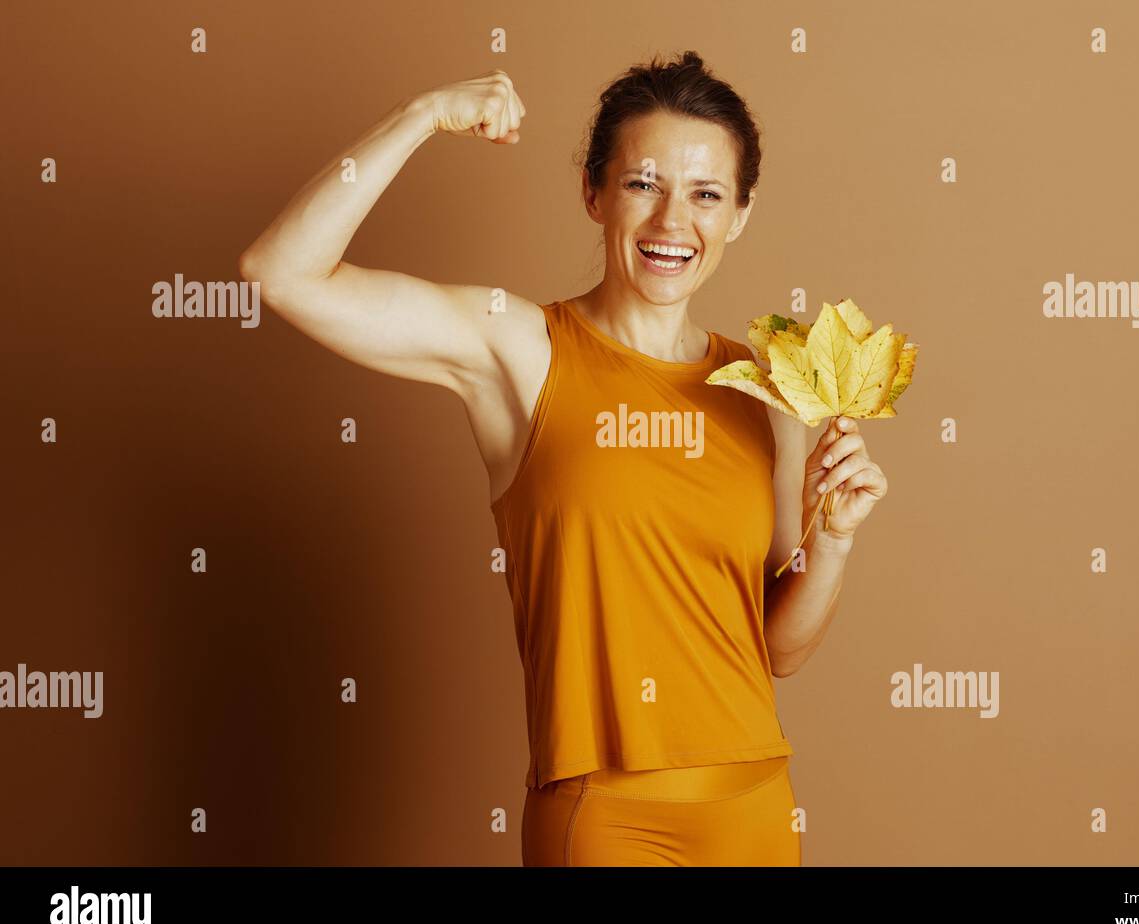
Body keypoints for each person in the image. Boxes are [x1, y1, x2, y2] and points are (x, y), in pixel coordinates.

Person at [239, 50, 888, 866]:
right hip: (602, 816)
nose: (671, 223)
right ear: (594, 191)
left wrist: (832, 543)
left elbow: (778, 653)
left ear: (740, 215)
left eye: (706, 194)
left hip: (756, 810)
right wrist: (424, 114)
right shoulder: (521, 348)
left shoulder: (769, 391)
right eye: (643, 184)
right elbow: (280, 272)